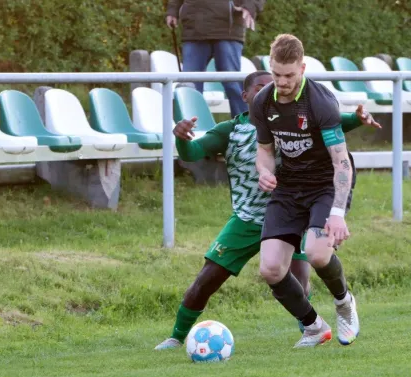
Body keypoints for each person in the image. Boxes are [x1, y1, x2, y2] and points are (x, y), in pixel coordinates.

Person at [155, 71, 379, 350]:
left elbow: (330, 124)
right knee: (207, 279)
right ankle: (177, 336)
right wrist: (182, 139)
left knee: (299, 279)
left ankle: (312, 328)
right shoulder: (231, 131)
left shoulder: (288, 121)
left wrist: (356, 119)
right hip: (248, 217)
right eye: (260, 87)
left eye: (271, 87)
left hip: (292, 211)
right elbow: (192, 153)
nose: (269, 92)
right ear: (246, 96)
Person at [253, 34, 372, 348]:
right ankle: (314, 327)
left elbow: (341, 161)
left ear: (302, 68)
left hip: (324, 184)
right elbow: (264, 150)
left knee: (318, 253)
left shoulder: (319, 101)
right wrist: (264, 171)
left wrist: (337, 213)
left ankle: (344, 303)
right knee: (270, 268)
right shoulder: (263, 101)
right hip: (289, 186)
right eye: (277, 74)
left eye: (290, 75)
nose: (282, 82)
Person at [165, 0, 264, 117]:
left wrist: (250, 5)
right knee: (189, 86)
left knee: (233, 84)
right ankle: (189, 129)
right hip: (194, 29)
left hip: (228, 29)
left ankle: (245, 127)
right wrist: (172, 10)